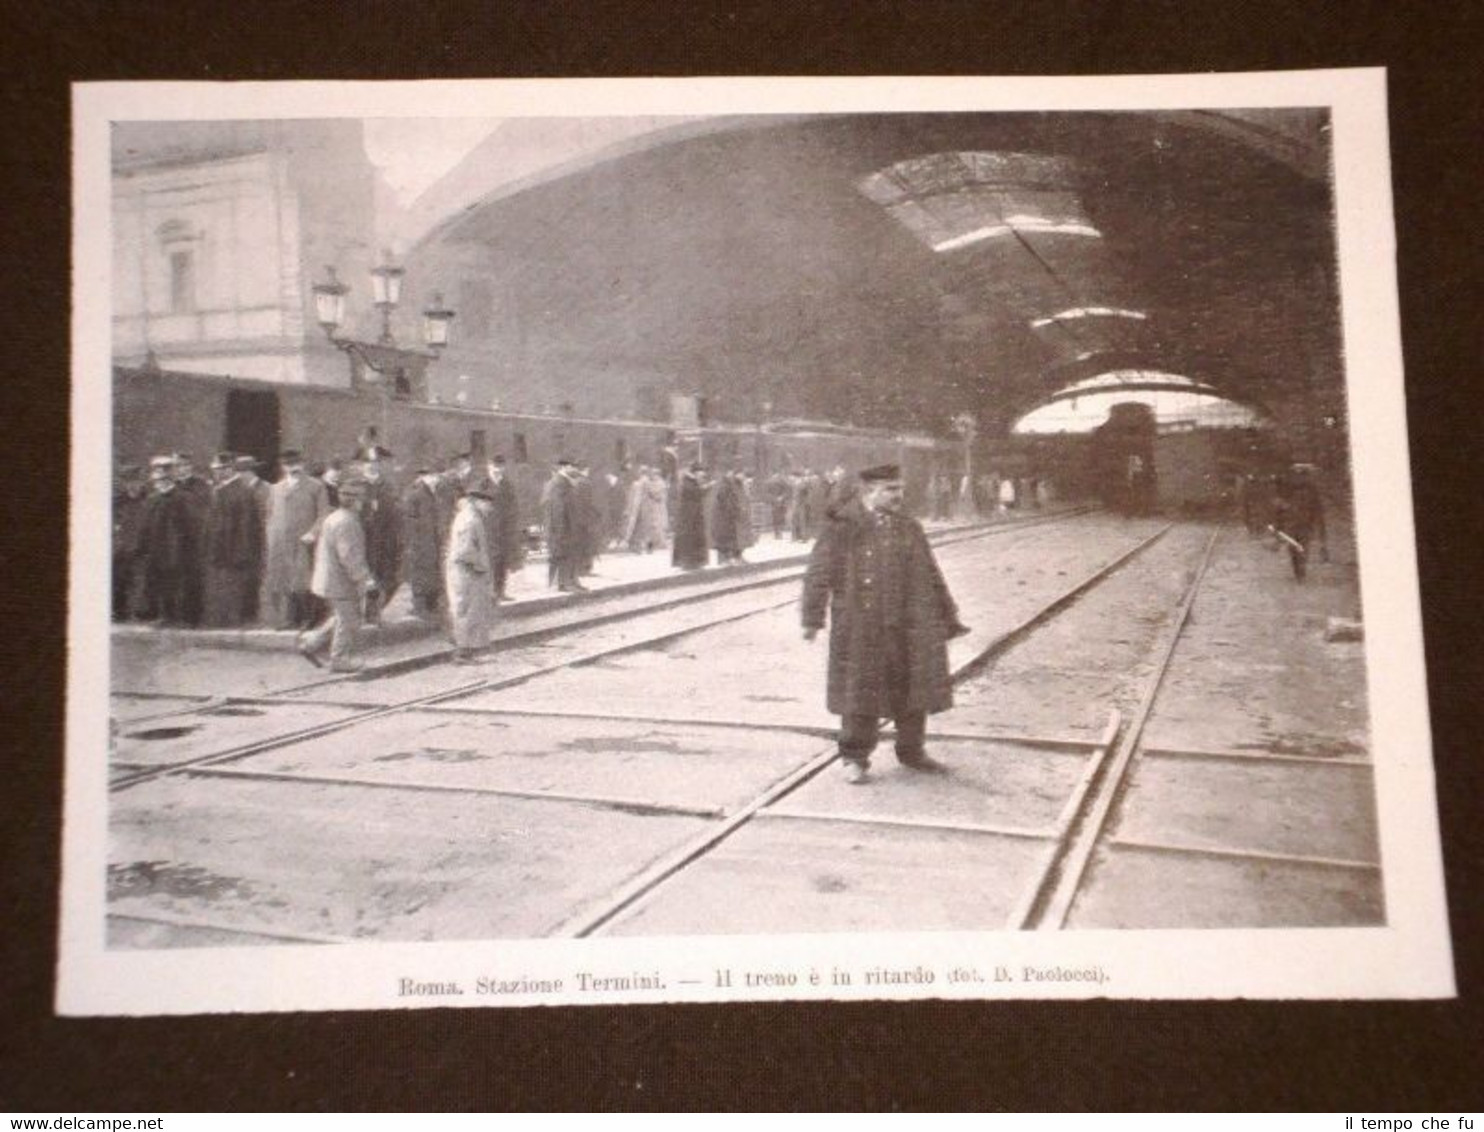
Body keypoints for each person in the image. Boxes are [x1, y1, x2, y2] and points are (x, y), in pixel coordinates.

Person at [802, 464, 971, 785]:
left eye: (900, 489)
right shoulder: (843, 527)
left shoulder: (909, 527)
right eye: (892, 490)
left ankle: (912, 752)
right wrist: (812, 618)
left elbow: (931, 574)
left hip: (908, 622)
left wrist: (948, 616)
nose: (899, 496)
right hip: (862, 623)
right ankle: (854, 757)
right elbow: (819, 573)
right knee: (860, 690)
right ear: (870, 492)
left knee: (913, 687)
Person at [297, 476, 377, 673]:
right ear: (355, 501)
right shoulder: (347, 522)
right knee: (349, 618)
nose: (364, 503)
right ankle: (339, 659)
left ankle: (311, 644)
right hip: (340, 580)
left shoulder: (334, 517)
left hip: (329, 577)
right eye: (362, 499)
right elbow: (350, 556)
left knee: (341, 616)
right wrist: (366, 581)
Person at [262, 450, 330, 630]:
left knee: (303, 581)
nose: (293, 468)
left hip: (304, 541)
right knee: (285, 580)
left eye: (296, 464)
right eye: (288, 464)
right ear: (283, 467)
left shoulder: (316, 486)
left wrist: (313, 533)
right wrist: (271, 537)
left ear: (303, 464)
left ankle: (308, 619)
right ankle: (289, 619)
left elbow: (323, 514)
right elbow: (269, 515)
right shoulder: (276, 488)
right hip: (281, 543)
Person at [203, 451, 263, 627]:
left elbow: (246, 526)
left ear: (229, 469)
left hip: (233, 551)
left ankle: (233, 621)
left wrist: (241, 553)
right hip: (219, 551)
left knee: (234, 588)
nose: (216, 473)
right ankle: (222, 620)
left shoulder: (241, 491)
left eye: (220, 469)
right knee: (221, 588)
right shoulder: (220, 490)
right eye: (215, 469)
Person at [139, 456, 197, 626]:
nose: (160, 482)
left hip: (178, 549)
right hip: (157, 549)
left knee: (178, 582)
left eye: (164, 479)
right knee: (160, 582)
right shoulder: (152, 500)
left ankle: (182, 617)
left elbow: (191, 527)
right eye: (157, 479)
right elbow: (145, 526)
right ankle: (166, 616)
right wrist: (143, 547)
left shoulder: (183, 498)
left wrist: (186, 548)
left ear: (171, 479)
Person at [445, 482, 497, 663]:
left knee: (467, 611)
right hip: (467, 573)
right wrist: (482, 565)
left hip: (465, 572)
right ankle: (463, 652)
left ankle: (466, 650)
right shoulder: (470, 520)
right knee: (466, 611)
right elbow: (465, 551)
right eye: (488, 503)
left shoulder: (469, 516)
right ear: (477, 501)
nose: (490, 507)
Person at [357, 446, 401, 624]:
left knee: (389, 579)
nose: (371, 466)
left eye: (375, 462)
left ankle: (376, 609)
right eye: (367, 462)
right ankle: (369, 613)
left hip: (386, 539)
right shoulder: (356, 486)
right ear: (361, 465)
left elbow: (396, 511)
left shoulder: (389, 485)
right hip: (364, 539)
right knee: (368, 577)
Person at [170, 452, 211, 626]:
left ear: (190, 467)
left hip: (194, 538)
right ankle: (174, 616)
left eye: (184, 465)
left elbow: (201, 511)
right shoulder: (171, 485)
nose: (181, 469)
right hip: (173, 539)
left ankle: (192, 617)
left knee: (192, 577)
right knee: (173, 577)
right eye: (177, 466)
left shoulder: (200, 485)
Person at [401, 466, 447, 619]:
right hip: (420, 543)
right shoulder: (415, 495)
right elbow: (409, 522)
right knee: (420, 574)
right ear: (424, 477)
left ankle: (432, 606)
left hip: (433, 541)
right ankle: (420, 607)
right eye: (431, 476)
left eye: (436, 476)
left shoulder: (435, 494)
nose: (435, 479)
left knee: (433, 574)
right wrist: (415, 542)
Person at [1271, 464, 1327, 582]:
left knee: (1303, 547)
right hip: (1292, 522)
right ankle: (1298, 571)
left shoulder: (1312, 489)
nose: (1299, 477)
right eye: (1297, 474)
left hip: (1305, 523)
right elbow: (1279, 506)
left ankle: (1301, 572)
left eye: (1302, 474)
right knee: (1294, 548)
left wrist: (1318, 522)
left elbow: (1318, 508)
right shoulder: (1287, 488)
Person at [112, 465, 150, 621]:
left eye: (136, 482)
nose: (133, 485)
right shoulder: (117, 503)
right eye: (129, 482)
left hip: (142, 547)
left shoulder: (149, 500)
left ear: (142, 483)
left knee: (141, 580)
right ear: (124, 483)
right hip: (121, 548)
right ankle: (120, 611)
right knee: (120, 578)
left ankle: (141, 611)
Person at [543, 458, 585, 592]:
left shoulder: (565, 482)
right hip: (562, 528)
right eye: (572, 466)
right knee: (563, 554)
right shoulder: (558, 483)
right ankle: (565, 583)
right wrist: (560, 531)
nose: (575, 469)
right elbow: (557, 509)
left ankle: (571, 581)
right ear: (564, 467)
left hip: (567, 527)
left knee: (569, 554)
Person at [485, 456, 521, 601]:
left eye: (500, 467)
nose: (497, 470)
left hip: (504, 529)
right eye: (495, 466)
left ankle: (500, 591)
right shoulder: (483, 484)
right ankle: (489, 593)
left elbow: (513, 507)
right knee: (490, 562)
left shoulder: (507, 485)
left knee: (502, 561)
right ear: (489, 466)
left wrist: (512, 525)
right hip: (488, 529)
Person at [672, 462, 709, 570]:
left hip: (695, 516)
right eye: (700, 474)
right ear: (695, 472)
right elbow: (694, 494)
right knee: (689, 539)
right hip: (688, 517)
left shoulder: (691, 482)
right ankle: (687, 562)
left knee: (695, 539)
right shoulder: (688, 482)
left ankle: (696, 562)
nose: (702, 477)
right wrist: (704, 488)